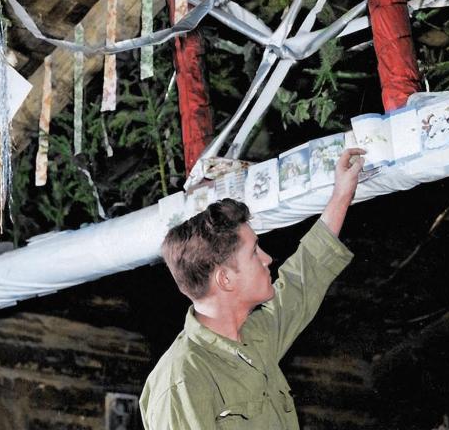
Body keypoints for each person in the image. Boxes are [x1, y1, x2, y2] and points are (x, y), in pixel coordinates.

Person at [139, 147, 366, 429]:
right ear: (225, 279)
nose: (268, 259)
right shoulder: (181, 381)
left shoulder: (254, 337)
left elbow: (302, 279)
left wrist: (342, 194)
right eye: (254, 252)